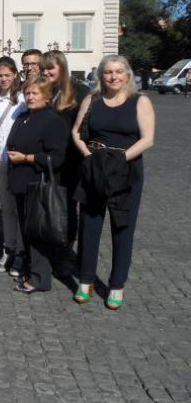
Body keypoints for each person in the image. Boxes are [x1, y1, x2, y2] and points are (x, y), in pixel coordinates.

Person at [72, 56, 155, 310]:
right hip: (94, 167)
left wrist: (120, 159)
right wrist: (87, 154)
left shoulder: (139, 101)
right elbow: (76, 131)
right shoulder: (92, 99)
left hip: (125, 169)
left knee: (122, 228)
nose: (113, 76)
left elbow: (148, 138)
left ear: (127, 75)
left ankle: (116, 285)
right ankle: (86, 280)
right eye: (108, 72)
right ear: (101, 76)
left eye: (119, 72)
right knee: (89, 225)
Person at [5, 76, 69, 294]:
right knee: (26, 231)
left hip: (38, 184)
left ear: (47, 96)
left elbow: (57, 157)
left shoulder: (52, 121)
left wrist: (27, 158)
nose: (30, 97)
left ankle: (40, 278)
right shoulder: (23, 117)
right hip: (20, 183)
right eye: (27, 93)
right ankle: (32, 271)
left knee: (37, 233)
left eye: (35, 93)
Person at [42, 50, 90, 261]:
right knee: (50, 205)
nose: (46, 71)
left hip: (72, 160)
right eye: (43, 68)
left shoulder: (79, 91)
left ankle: (65, 252)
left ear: (61, 67)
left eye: (50, 67)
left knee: (69, 208)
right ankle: (51, 246)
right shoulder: (43, 90)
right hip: (48, 160)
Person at [0, 57, 26, 275]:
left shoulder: (22, 99)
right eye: (0, 75)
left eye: (7, 75)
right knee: (7, 210)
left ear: (15, 76)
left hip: (18, 162)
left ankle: (21, 252)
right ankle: (8, 249)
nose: (3, 79)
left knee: (20, 209)